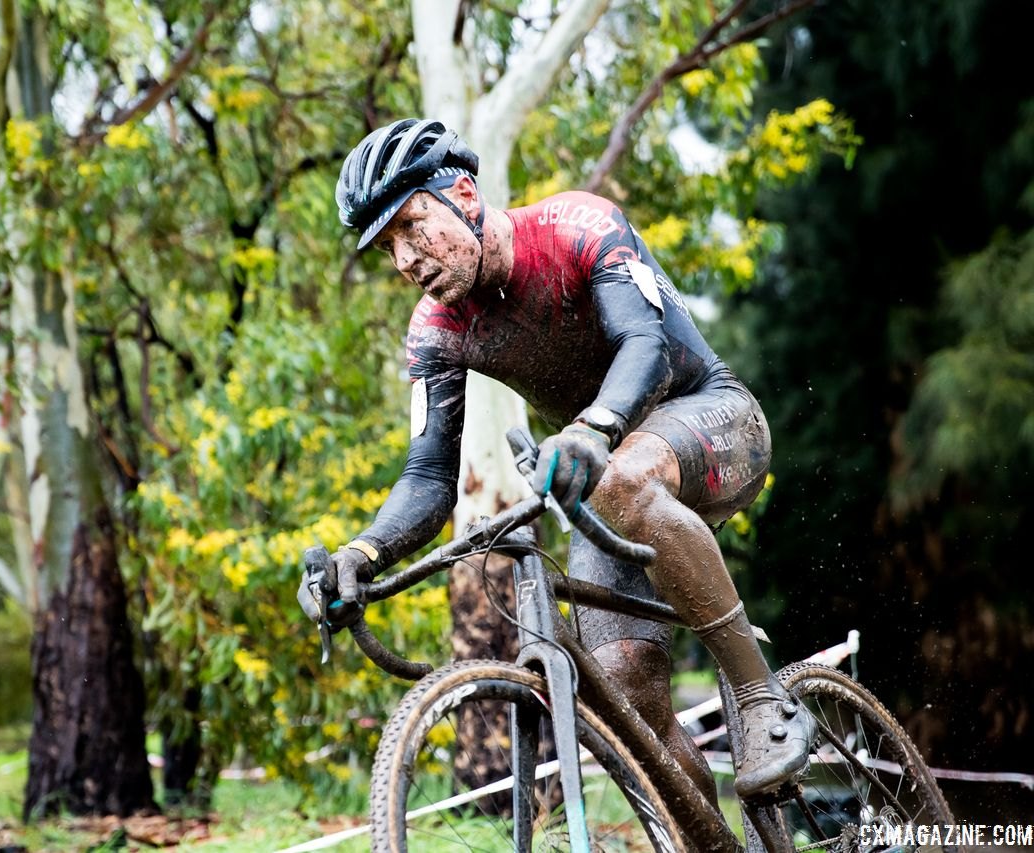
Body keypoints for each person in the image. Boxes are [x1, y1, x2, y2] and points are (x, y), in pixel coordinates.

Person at [303, 117, 815, 802]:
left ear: (464, 192)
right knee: (622, 696)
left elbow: (645, 344)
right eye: (388, 244)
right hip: (601, 476)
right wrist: (360, 555)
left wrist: (593, 427)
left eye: (413, 225)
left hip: (712, 421)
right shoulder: (436, 330)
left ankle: (762, 701)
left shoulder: (577, 224)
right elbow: (428, 477)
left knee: (624, 477)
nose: (404, 258)